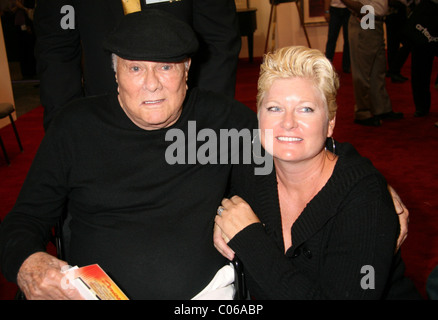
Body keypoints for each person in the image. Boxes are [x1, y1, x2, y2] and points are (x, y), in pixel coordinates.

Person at [0, 10, 257, 300]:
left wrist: (231, 214)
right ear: (115, 72)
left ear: (186, 69)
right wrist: (27, 263)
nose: (151, 83)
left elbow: (280, 191)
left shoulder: (225, 121)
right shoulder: (75, 127)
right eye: (135, 68)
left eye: (166, 67)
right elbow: (24, 218)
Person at [214, 46, 422, 299]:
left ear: (330, 123)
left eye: (306, 109)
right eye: (274, 108)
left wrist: (250, 241)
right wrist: (222, 215)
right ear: (258, 117)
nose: (288, 122)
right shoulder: (250, 169)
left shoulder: (364, 199)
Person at [33, 0, 241, 131]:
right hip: (102, 117)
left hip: (184, 116)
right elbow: (56, 49)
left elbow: (218, 40)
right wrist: (65, 126)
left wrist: (207, 118)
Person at [341, 0, 404, 127]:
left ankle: (381, 108)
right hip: (367, 18)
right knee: (363, 67)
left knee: (377, 67)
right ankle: (363, 112)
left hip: (375, 19)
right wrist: (362, 11)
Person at [385, 0, 411, 83]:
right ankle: (394, 70)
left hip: (393, 10)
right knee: (406, 43)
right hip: (396, 10)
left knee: (393, 43)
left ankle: (393, 70)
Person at [323, 0, 351, 73]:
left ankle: (346, 66)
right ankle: (327, 64)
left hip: (348, 9)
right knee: (332, 38)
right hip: (334, 9)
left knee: (348, 39)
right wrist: (326, 11)